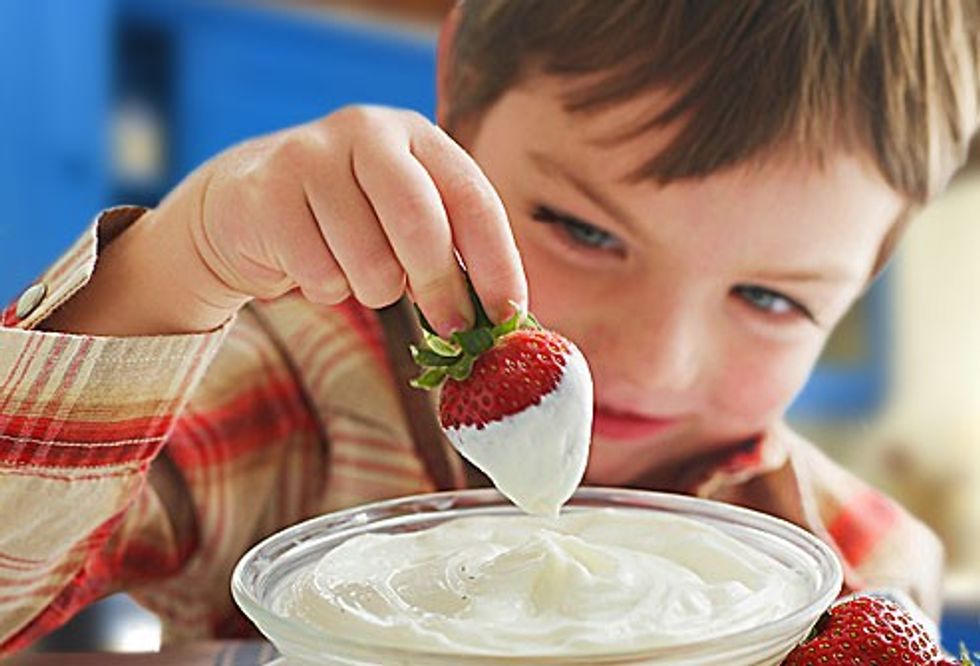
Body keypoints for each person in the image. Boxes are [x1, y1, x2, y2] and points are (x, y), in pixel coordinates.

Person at [1, 0, 977, 653]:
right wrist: (184, 260)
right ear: (460, 94)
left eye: (771, 300)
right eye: (584, 229)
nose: (649, 359)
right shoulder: (287, 403)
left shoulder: (861, 573)